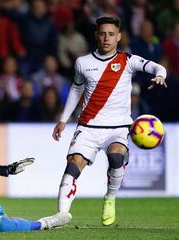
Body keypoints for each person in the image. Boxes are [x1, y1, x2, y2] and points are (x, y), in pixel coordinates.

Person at [45, 16, 167, 227]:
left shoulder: (128, 61)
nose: (106, 38)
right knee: (73, 165)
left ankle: (110, 198)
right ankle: (62, 214)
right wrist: (63, 120)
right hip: (88, 126)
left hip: (118, 127)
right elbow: (76, 89)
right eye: (102, 34)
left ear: (119, 37)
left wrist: (160, 75)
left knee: (116, 157)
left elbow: (157, 67)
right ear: (96, 36)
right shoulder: (83, 63)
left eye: (111, 34)